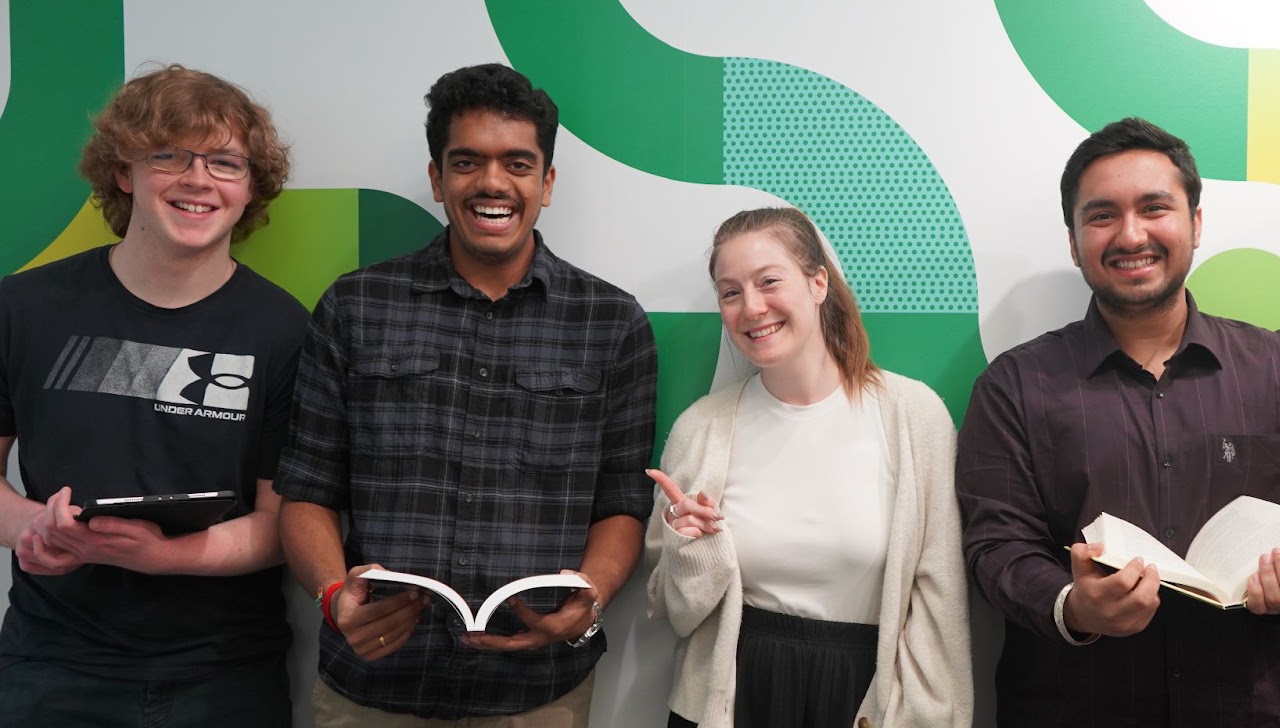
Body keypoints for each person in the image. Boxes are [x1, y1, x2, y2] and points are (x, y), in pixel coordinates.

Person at [274, 63, 658, 726]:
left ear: (547, 182)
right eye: (466, 162)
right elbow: (307, 489)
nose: (491, 183)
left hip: (539, 694)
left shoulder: (612, 322)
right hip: (373, 688)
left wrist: (591, 596)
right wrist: (334, 595)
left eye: (517, 163)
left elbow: (621, 500)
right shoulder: (354, 305)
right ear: (436, 178)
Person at [0, 64, 306, 724]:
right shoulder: (22, 308)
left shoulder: (285, 331)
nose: (197, 179)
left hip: (224, 675)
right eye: (168, 154)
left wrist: (168, 558)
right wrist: (40, 530)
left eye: (225, 162)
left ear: (251, 189)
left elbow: (282, 524)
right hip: (52, 668)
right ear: (123, 171)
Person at [957, 117, 1280, 725]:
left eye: (1155, 207)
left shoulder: (1273, 367)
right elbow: (995, 545)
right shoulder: (1014, 386)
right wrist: (1072, 606)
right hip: (1074, 706)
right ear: (1074, 241)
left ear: (1196, 223)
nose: (1131, 234)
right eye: (1102, 215)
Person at [646, 207, 972, 728]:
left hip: (866, 697)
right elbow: (679, 615)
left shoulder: (914, 416)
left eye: (768, 282)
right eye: (730, 293)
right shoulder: (701, 428)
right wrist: (690, 549)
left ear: (818, 283)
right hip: (732, 696)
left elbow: (941, 602)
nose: (751, 307)